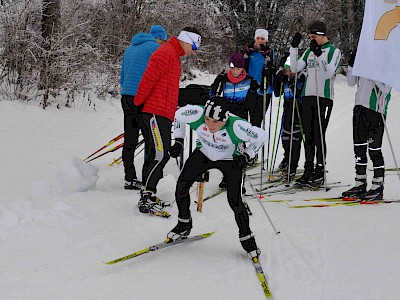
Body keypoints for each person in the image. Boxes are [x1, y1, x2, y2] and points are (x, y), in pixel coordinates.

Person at [166, 97, 267, 259]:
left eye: (216, 122)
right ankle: (184, 223)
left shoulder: (237, 126)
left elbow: (262, 136)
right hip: (204, 153)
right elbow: (178, 115)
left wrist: (247, 155)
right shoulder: (197, 113)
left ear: (225, 118)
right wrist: (178, 141)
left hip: (229, 159)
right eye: (207, 119)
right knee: (181, 187)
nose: (210, 125)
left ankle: (247, 238)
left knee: (234, 200)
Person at [133, 27, 202, 215]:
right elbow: (148, 79)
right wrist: (137, 103)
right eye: (195, 45)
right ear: (186, 40)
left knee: (154, 154)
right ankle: (146, 196)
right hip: (154, 112)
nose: (194, 50)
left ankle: (148, 192)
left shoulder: (173, 55)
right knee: (160, 154)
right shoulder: (166, 52)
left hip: (163, 113)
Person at [289, 21, 341, 186]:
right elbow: (295, 68)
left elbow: (328, 74)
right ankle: (308, 169)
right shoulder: (309, 51)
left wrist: (319, 55)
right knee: (308, 136)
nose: (311, 40)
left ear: (321, 35)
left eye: (313, 37)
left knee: (319, 135)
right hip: (308, 96)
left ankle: (320, 170)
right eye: (310, 37)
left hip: (323, 97)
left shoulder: (334, 51)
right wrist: (294, 48)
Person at [120, 25, 167, 190]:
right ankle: (149, 177)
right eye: (163, 40)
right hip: (142, 97)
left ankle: (129, 177)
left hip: (126, 96)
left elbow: (123, 76)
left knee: (130, 139)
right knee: (151, 139)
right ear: (159, 38)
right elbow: (155, 76)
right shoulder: (155, 48)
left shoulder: (130, 48)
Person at [342, 50, 392, 200]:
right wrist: (352, 64)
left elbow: (386, 88)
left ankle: (378, 185)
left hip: (376, 110)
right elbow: (351, 82)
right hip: (359, 108)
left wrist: (372, 70)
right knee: (359, 148)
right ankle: (360, 182)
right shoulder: (364, 60)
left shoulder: (385, 63)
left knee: (374, 150)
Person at [209, 52, 261, 189]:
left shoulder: (250, 81)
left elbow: (255, 104)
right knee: (226, 147)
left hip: (241, 118)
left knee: (239, 149)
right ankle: (226, 177)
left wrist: (255, 123)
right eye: (232, 68)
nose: (235, 71)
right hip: (226, 117)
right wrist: (216, 84)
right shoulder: (223, 79)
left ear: (242, 68)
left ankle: (238, 180)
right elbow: (212, 95)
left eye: (238, 68)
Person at [274, 55, 306, 180]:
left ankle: (292, 166)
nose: (289, 72)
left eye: (291, 70)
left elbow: (302, 96)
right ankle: (286, 159)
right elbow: (277, 93)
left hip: (299, 113)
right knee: (285, 139)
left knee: (295, 141)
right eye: (287, 70)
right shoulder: (285, 79)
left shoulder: (303, 79)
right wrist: (278, 80)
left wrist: (294, 87)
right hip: (287, 112)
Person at [242, 28, 275, 127]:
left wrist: (269, 63)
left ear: (266, 40)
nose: (260, 41)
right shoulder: (249, 51)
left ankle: (256, 141)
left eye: (262, 39)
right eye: (258, 38)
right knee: (244, 119)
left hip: (263, 90)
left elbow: (274, 69)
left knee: (257, 120)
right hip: (249, 89)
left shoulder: (270, 52)